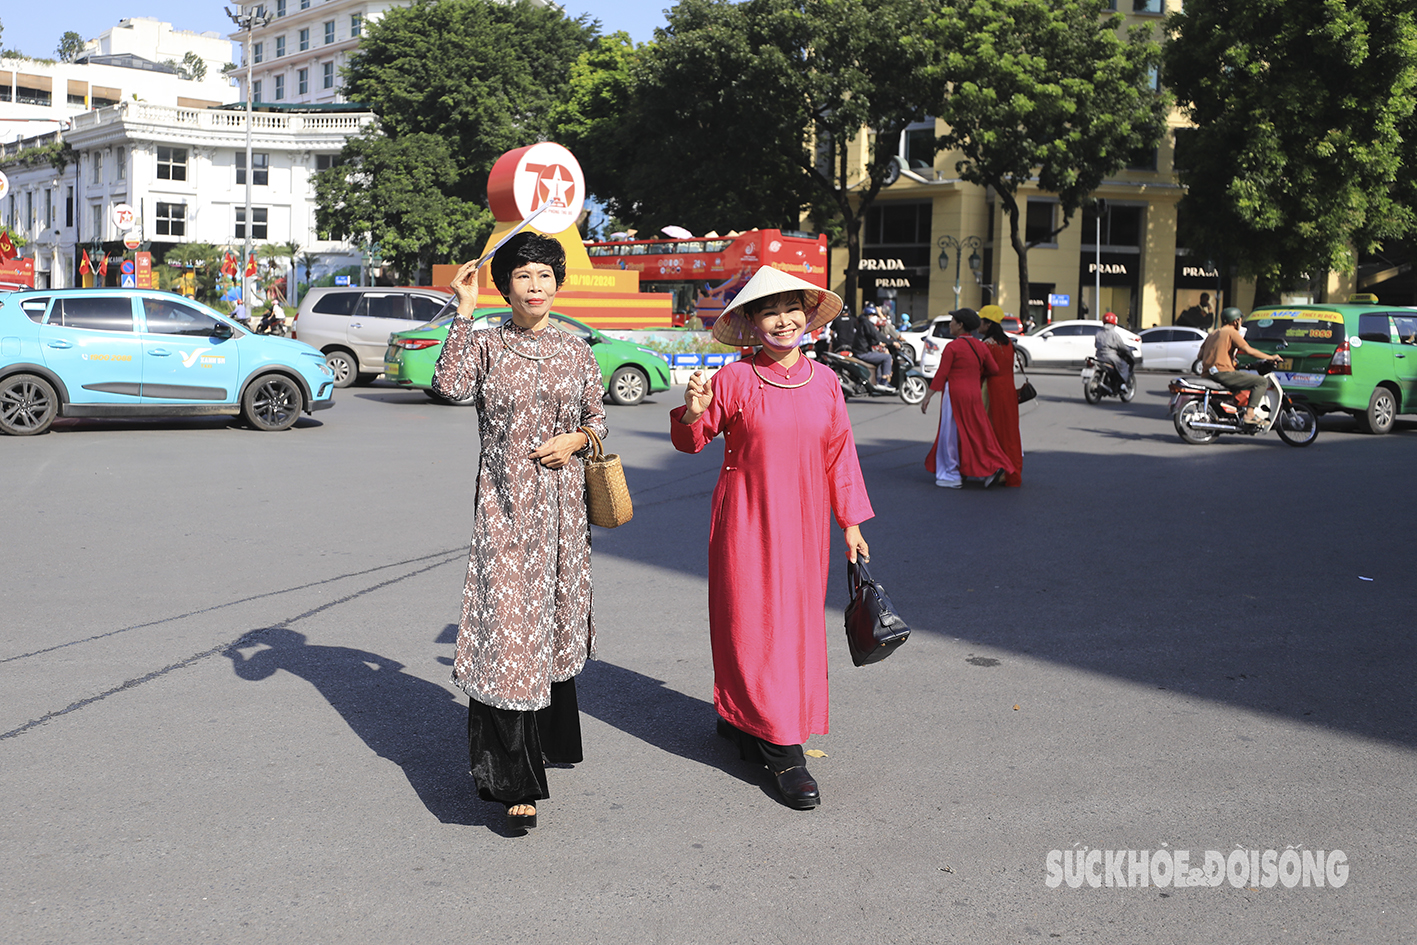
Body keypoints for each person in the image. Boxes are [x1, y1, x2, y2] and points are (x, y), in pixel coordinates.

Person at [671, 265, 873, 811]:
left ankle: (745, 718)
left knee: (794, 628)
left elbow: (840, 454)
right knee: (752, 624)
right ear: (753, 323)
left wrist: (851, 523)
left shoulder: (826, 382)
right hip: (745, 519)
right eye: (769, 312)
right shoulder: (735, 379)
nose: (782, 321)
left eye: (790, 310)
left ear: (807, 317)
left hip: (806, 525)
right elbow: (692, 440)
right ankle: (784, 751)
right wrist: (692, 412)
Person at [430, 232, 607, 832]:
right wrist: (463, 311)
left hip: (562, 513)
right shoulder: (485, 343)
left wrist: (576, 439)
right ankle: (512, 779)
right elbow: (449, 386)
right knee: (507, 634)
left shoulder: (576, 349)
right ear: (506, 285)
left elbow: (597, 417)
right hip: (503, 508)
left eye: (546, 275)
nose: (536, 286)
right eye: (524, 275)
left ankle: (552, 741)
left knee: (551, 623)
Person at [920, 308, 1014, 488]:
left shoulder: (952, 347)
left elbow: (941, 374)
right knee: (977, 432)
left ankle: (952, 474)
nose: (950, 324)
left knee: (950, 435)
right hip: (974, 393)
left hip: (954, 394)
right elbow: (994, 369)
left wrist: (928, 396)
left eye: (952, 321)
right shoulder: (981, 346)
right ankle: (991, 466)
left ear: (960, 325)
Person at [1198, 306, 1284, 424]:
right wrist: (1271, 357)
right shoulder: (1231, 332)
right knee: (1261, 382)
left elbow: (1200, 355)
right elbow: (1248, 350)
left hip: (1208, 374)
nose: (1241, 322)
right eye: (1240, 319)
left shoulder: (1213, 334)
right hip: (1223, 373)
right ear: (1235, 321)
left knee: (1240, 382)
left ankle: (1236, 414)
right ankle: (1250, 414)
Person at [979, 305, 1023, 487]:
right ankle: (1010, 470)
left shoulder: (986, 345)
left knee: (989, 430)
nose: (978, 324)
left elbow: (983, 370)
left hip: (991, 390)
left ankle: (994, 467)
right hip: (1008, 390)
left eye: (981, 321)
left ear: (988, 324)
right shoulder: (1008, 343)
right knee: (1009, 432)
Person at [853, 303, 895, 385]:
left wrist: (879, 342)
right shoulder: (866, 323)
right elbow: (876, 335)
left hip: (864, 350)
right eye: (874, 315)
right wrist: (892, 342)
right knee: (887, 357)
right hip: (863, 352)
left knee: (879, 358)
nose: (875, 317)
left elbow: (871, 338)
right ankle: (884, 382)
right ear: (869, 315)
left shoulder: (863, 322)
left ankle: (877, 380)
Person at [1094, 312, 1135, 390]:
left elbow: (1096, 344)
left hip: (1099, 355)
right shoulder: (1114, 334)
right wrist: (1128, 349)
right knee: (1123, 365)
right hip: (1110, 356)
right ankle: (1122, 384)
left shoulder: (1098, 332)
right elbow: (1121, 346)